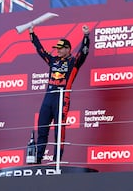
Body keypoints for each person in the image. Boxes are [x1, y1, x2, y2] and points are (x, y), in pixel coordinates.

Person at [29, 25, 90, 164]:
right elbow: (41, 51)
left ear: (68, 49)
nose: (58, 50)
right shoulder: (53, 60)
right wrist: (32, 35)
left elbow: (84, 52)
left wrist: (86, 36)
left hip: (62, 98)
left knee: (59, 130)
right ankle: (38, 159)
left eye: (61, 48)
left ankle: (57, 160)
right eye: (57, 48)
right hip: (48, 98)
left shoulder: (74, 62)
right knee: (42, 128)